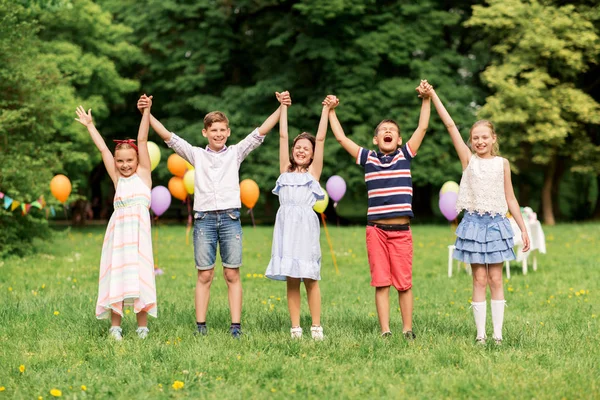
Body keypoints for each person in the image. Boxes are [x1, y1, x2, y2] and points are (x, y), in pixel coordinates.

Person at [136, 92, 291, 338]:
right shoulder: (197, 154)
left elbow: (260, 132)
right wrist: (147, 112)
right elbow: (168, 136)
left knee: (232, 273)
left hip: (230, 219)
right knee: (205, 273)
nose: (218, 134)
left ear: (228, 132)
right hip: (204, 220)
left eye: (222, 130)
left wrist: (281, 107)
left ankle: (236, 327)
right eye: (213, 130)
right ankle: (200, 326)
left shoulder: (235, 153)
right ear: (205, 133)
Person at [327, 81, 432, 340]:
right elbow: (341, 138)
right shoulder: (369, 158)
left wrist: (426, 99)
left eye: (392, 131)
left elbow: (423, 127)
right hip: (376, 231)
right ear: (376, 139)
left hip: (401, 231)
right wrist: (331, 112)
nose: (387, 132)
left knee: (404, 283)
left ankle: (407, 329)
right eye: (383, 130)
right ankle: (385, 330)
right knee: (381, 282)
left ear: (398, 139)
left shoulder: (405, 155)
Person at [428, 87, 530, 345]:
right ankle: (481, 335)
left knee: (496, 279)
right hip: (473, 226)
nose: (480, 141)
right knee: (479, 279)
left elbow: (511, 198)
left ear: (494, 138)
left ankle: (497, 334)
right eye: (475, 138)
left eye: (485, 137)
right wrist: (433, 96)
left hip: (497, 226)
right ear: (471, 141)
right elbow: (450, 125)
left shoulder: (502, 163)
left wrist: (523, 229)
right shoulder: (468, 160)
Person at [75, 98, 157, 341]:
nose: (124, 165)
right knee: (118, 277)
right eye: (120, 161)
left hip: (139, 239)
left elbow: (141, 140)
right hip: (119, 236)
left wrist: (146, 113)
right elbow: (102, 149)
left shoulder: (143, 175)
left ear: (138, 161)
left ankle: (142, 326)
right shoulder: (117, 178)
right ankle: (115, 326)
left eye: (129, 160)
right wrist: (90, 126)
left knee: (140, 276)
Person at [265, 94, 332, 340]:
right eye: (298, 147)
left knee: (310, 278)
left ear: (313, 154)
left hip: (305, 229)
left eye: (306, 148)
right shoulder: (285, 169)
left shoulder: (313, 173)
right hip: (286, 229)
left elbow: (322, 137)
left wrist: (325, 110)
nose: (301, 151)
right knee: (291, 278)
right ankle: (295, 327)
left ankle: (316, 326)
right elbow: (282, 136)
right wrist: (283, 107)